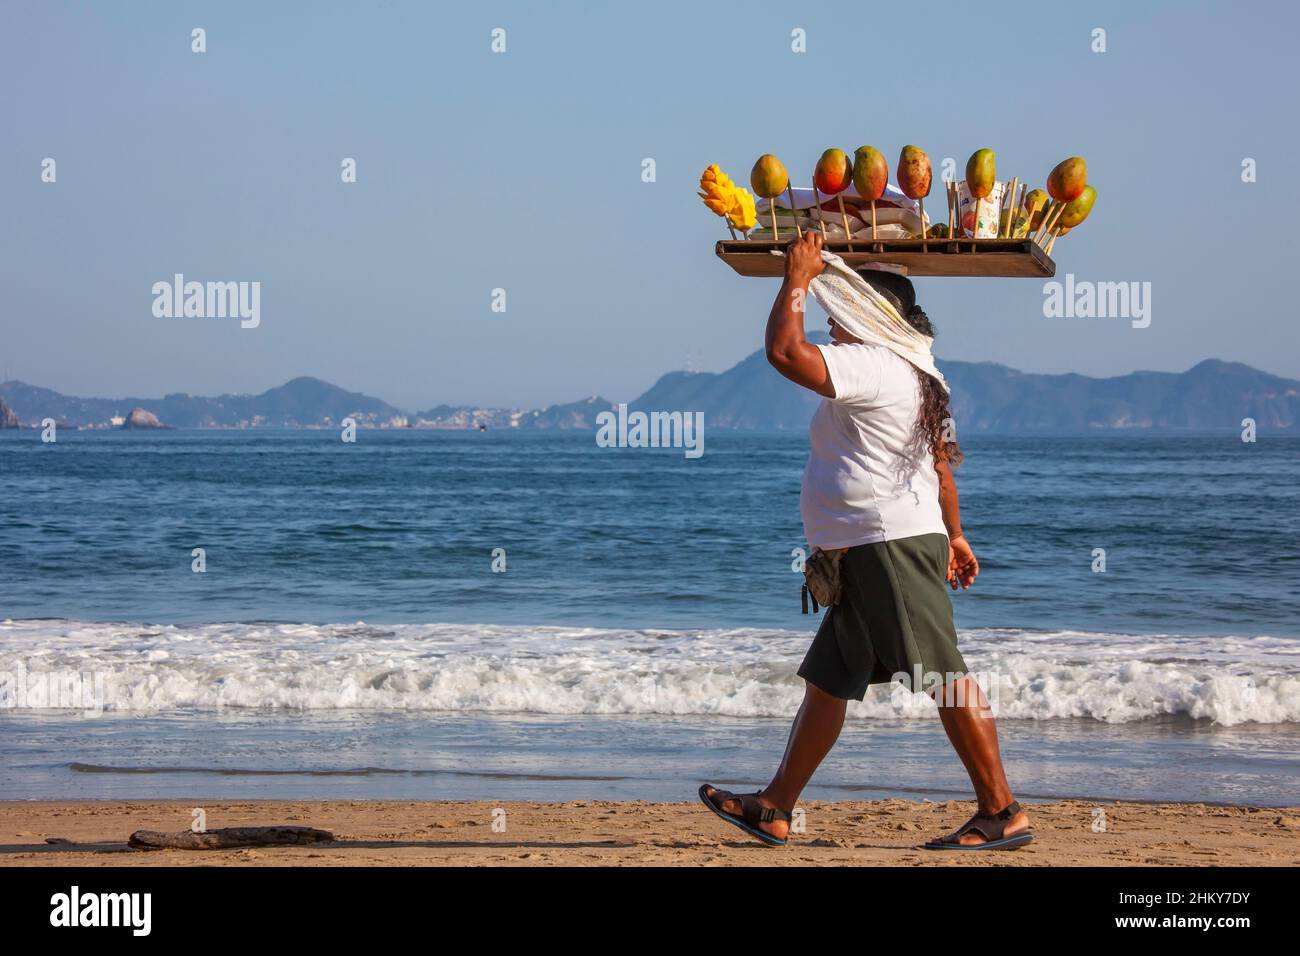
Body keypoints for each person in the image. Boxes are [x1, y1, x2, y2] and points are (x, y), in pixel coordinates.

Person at [699, 231, 1032, 851]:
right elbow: (939, 465)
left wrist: (795, 277)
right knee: (829, 682)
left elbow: (784, 352)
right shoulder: (917, 371)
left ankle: (1002, 809)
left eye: (841, 308)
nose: (832, 318)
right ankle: (774, 807)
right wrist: (954, 534)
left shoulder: (874, 363)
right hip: (873, 551)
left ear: (869, 317)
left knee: (945, 676)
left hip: (888, 548)